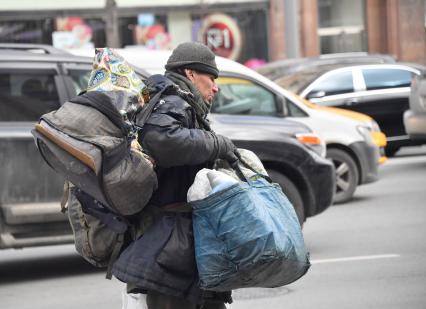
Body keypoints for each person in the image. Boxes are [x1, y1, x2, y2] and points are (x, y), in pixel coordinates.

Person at [112, 42, 239, 309]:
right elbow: (162, 139)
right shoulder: (172, 100)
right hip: (168, 245)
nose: (215, 87)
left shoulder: (178, 102)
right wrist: (219, 143)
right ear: (191, 73)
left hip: (179, 241)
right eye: (211, 78)